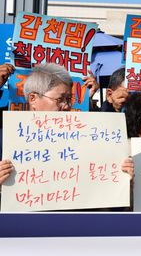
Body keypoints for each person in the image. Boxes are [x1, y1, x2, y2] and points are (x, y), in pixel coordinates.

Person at [0, 63, 133, 183]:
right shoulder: (7, 136)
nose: (66, 106)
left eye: (69, 99)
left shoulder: (83, 135)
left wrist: (122, 173)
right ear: (33, 99)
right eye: (60, 99)